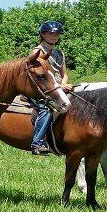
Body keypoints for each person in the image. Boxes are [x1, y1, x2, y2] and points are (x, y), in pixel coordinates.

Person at [29, 21, 72, 156]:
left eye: (57, 34)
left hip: (57, 88)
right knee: (46, 109)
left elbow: (64, 74)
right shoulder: (37, 51)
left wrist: (63, 84)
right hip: (42, 88)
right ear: (43, 34)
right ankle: (38, 142)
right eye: (50, 33)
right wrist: (58, 86)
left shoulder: (59, 53)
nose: (54, 36)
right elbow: (34, 74)